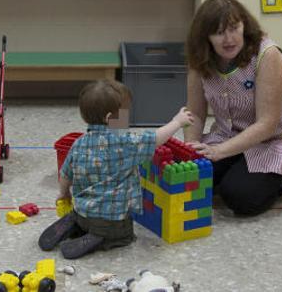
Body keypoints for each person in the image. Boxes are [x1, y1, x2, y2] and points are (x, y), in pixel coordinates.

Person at [183, 0, 282, 216]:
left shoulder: (267, 54)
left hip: (279, 140)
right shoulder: (200, 59)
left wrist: (218, 151)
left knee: (240, 197)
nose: (229, 39)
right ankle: (235, 169)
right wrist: (191, 152)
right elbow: (194, 112)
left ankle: (276, 183)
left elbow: (267, 124)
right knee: (190, 176)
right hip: (230, 136)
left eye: (234, 28)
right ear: (205, 37)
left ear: (244, 25)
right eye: (219, 32)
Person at [38, 79, 194, 259]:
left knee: (82, 215)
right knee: (125, 234)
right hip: (109, 220)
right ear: (110, 118)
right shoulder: (124, 143)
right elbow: (156, 138)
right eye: (125, 114)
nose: (128, 119)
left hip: (82, 211)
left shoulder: (78, 143)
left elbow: (65, 175)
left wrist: (64, 194)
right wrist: (177, 121)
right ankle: (100, 238)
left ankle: (76, 223)